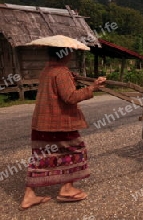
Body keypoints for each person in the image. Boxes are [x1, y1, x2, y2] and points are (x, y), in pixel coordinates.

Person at [19, 45, 106, 210]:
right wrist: (93, 87)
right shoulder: (61, 72)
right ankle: (67, 189)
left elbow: (58, 87)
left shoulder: (47, 70)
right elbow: (70, 97)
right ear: (65, 54)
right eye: (70, 52)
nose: (71, 55)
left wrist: (72, 78)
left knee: (40, 157)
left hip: (41, 124)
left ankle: (29, 195)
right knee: (76, 151)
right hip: (60, 124)